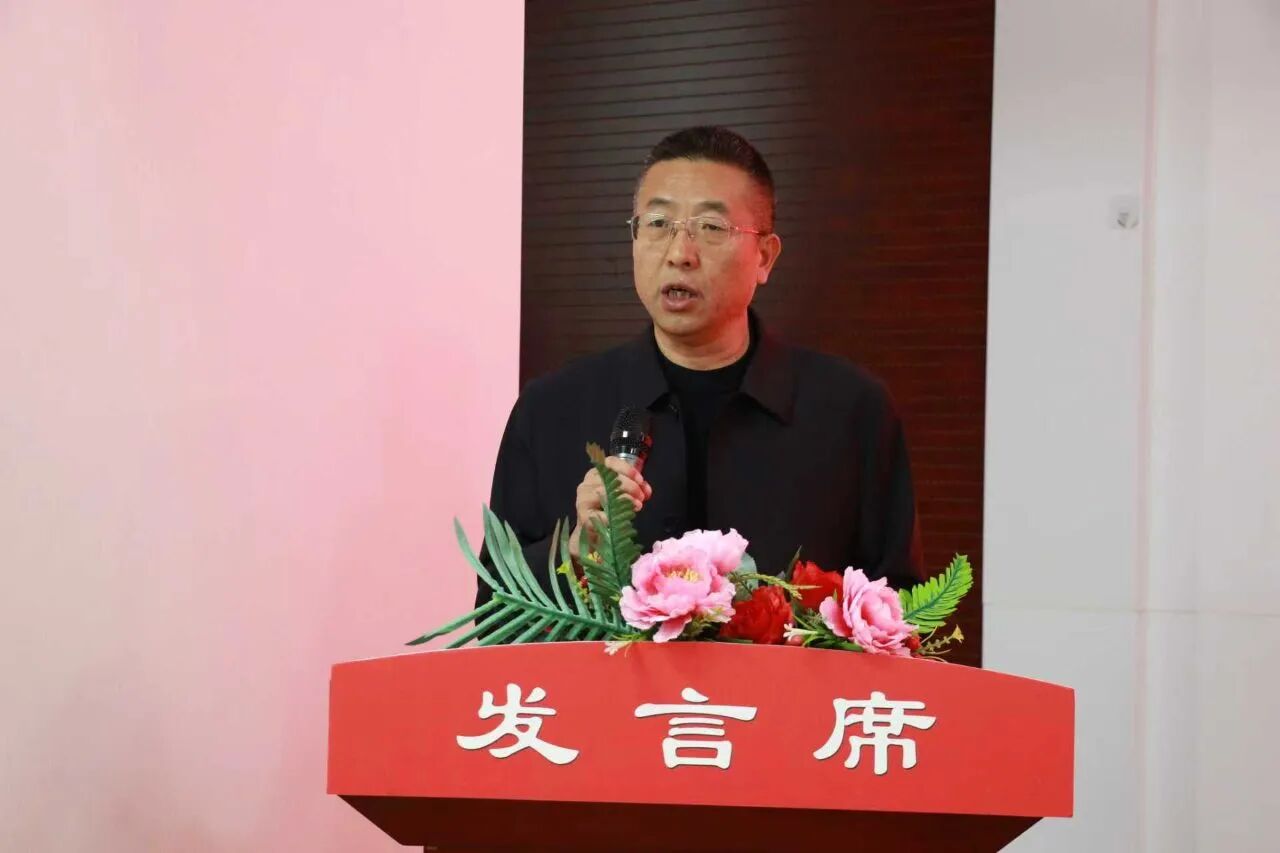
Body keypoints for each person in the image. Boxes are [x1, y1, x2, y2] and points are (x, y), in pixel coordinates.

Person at [476, 126, 923, 611]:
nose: (679, 254)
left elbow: (901, 613)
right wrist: (574, 553)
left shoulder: (852, 412)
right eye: (657, 223)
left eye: (711, 228)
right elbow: (494, 614)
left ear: (765, 257)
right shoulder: (551, 410)